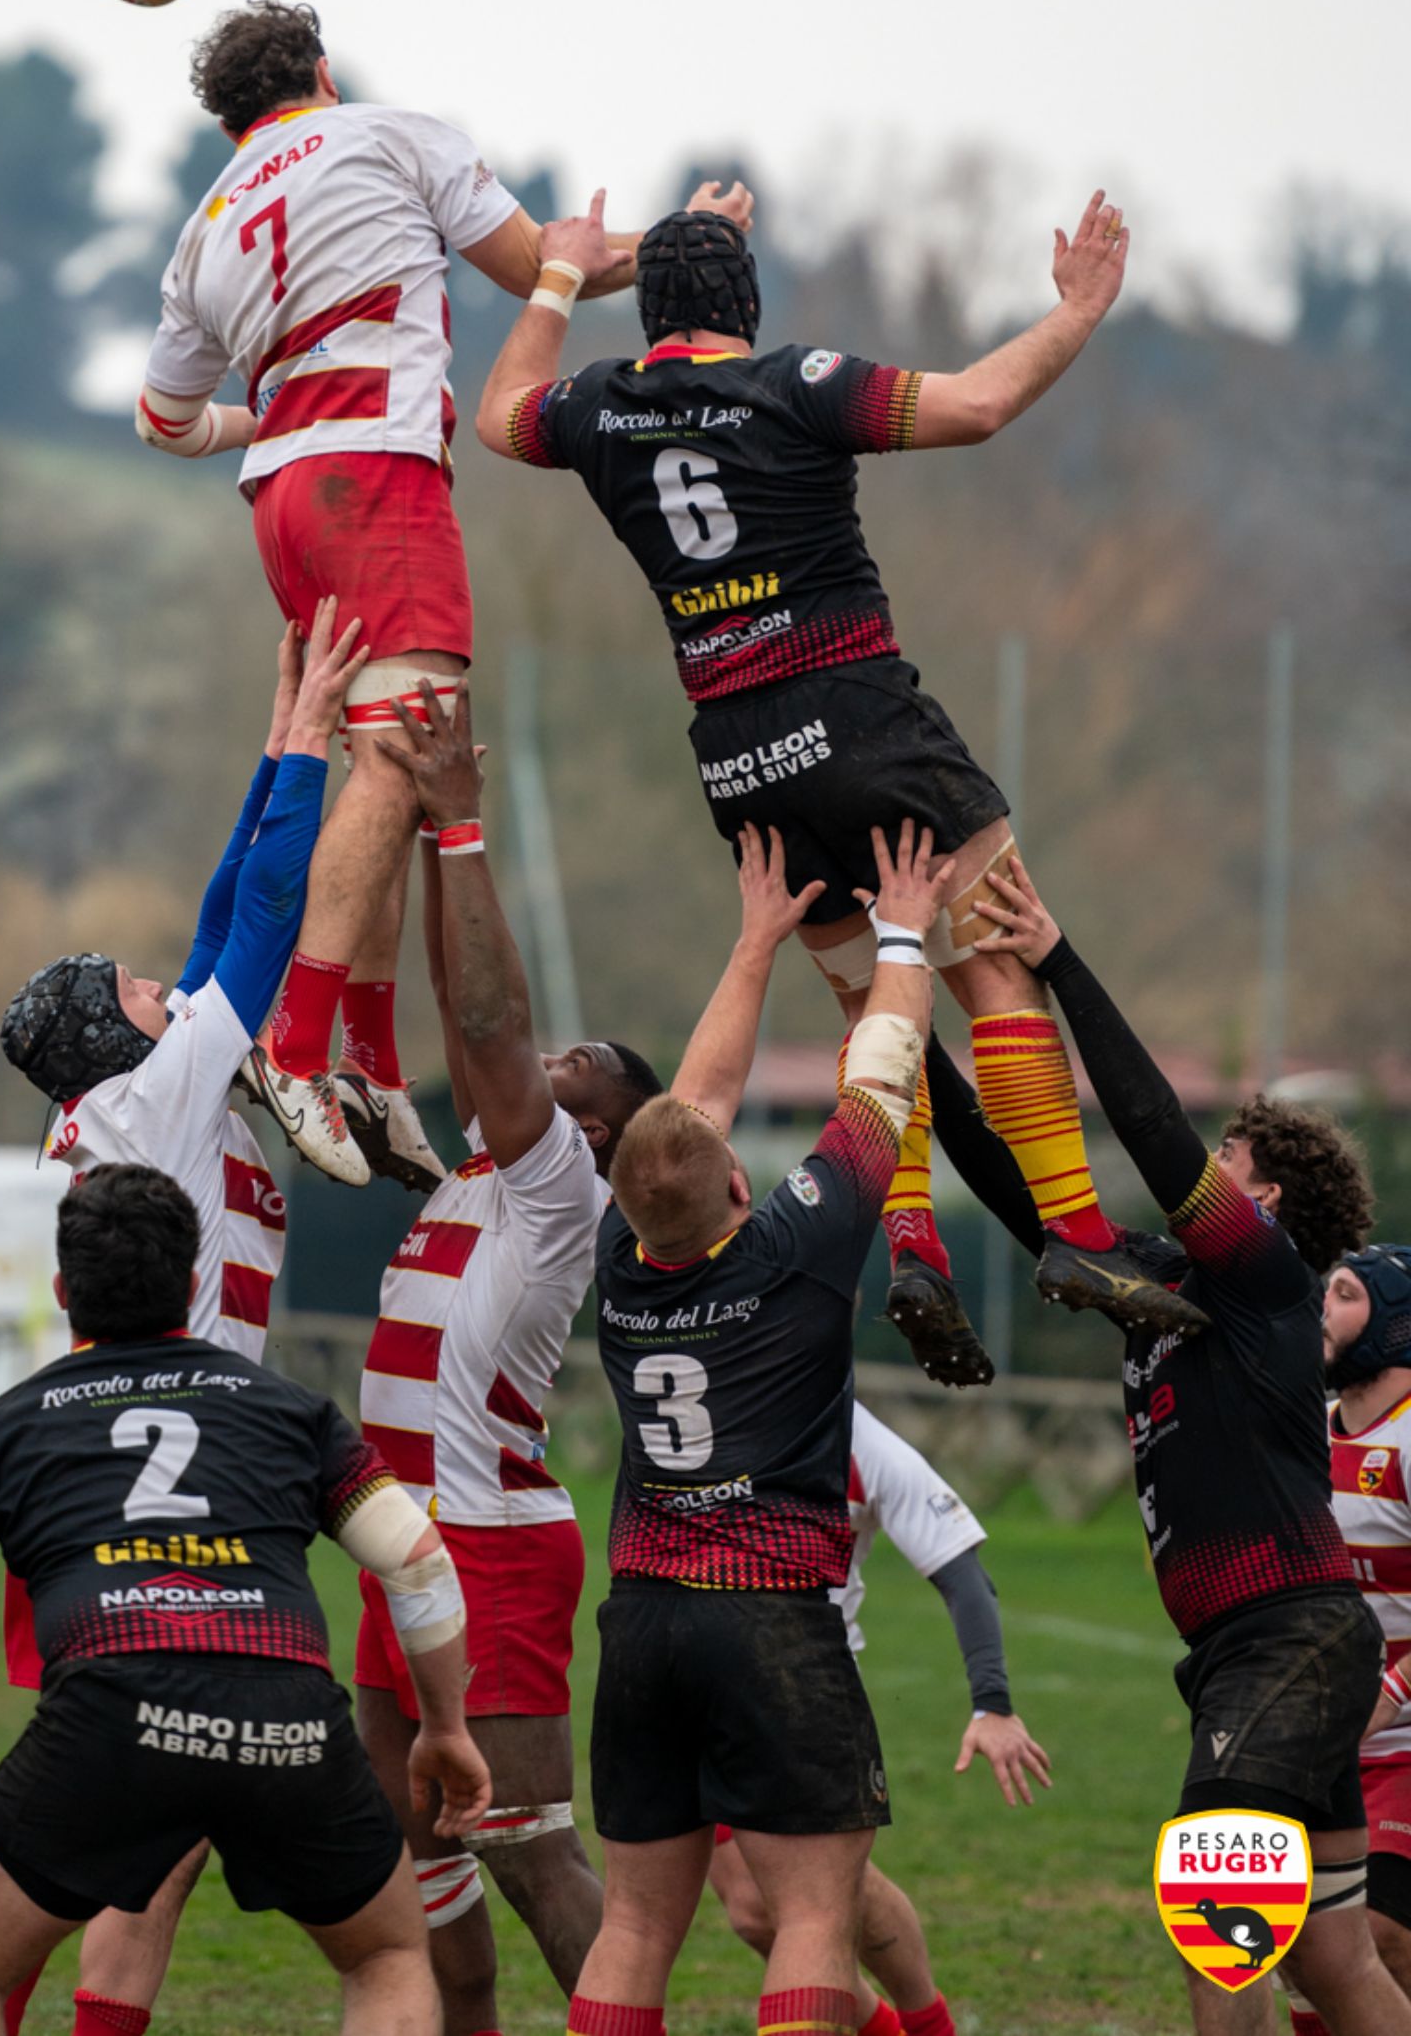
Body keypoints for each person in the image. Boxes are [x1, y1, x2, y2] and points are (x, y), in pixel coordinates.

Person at [476, 184, 1196, 1376]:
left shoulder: (598, 408)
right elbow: (976, 403)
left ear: (644, 310)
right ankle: (1076, 1234)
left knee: (874, 1002)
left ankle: (913, 1246)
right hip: (857, 714)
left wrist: (557, 272)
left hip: (737, 755)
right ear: (746, 308)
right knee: (993, 960)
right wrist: (1074, 311)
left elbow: (501, 412)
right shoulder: (792, 382)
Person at [135, 0, 717, 1190]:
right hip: (378, 477)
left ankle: (366, 1063)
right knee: (409, 752)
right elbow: (534, 266)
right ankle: (294, 1042)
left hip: (281, 505)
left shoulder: (202, 228)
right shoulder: (390, 133)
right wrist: (686, 245)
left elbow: (161, 419)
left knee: (381, 769)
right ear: (321, 72)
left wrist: (274, 414)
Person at [0, 1163, 492, 2036]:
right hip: (286, 1712)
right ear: (191, 1286)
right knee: (386, 1959)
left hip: (112, 1710)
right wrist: (444, 1728)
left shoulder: (4, 1428)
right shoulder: (294, 1412)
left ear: (64, 1290)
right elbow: (417, 1561)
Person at [934, 856, 1409, 2036]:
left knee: (1219, 1929)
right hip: (1264, 1643)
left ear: (1265, 1204)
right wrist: (892, 1008)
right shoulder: (1152, 1279)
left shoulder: (1261, 1277)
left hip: (1283, 1638)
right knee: (1334, 1961)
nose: (1204, 1170)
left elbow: (1147, 1125)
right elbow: (1010, 1181)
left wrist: (1056, 960)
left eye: (1229, 1164)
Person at [0, 600, 364, 2034]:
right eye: (141, 991)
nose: (169, 985)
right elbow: (260, 920)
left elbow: (217, 918)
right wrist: (317, 751)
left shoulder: (129, 1097)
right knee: (125, 1822)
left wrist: (279, 733)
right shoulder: (152, 1096)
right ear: (113, 1035)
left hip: (127, 1464)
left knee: (142, 1827)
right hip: (173, 1475)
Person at [568, 817, 955, 2036]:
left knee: (634, 1921)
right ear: (738, 1183)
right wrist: (902, 923)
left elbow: (690, 1109)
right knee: (808, 1913)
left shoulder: (618, 1262)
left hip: (638, 1617)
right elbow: (884, 1064)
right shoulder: (796, 1247)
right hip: (768, 1616)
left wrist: (751, 944)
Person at [352, 683, 663, 2033]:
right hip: (400, 1536)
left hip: (487, 1545)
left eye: (577, 1071)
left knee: (529, 1849)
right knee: (417, 1840)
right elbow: (461, 1015)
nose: (550, 1060)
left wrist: (465, 832)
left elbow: (483, 1029)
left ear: (596, 1134)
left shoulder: (558, 1192)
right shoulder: (481, 1164)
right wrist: (428, 834)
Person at [707, 1399, 1053, 2036]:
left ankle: (926, 2025)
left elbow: (965, 1577)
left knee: (807, 1899)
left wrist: (993, 1703)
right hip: (695, 1683)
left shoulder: (867, 1447)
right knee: (754, 1911)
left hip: (805, 1696)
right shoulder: (710, 1407)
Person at [1321, 1247, 1411, 2017]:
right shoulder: (1307, 1432)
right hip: (1326, 1736)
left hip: (1404, 1740)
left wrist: (1389, 1693)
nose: (1322, 1307)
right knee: (1304, 1948)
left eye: (1345, 1294)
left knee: (1378, 1935)